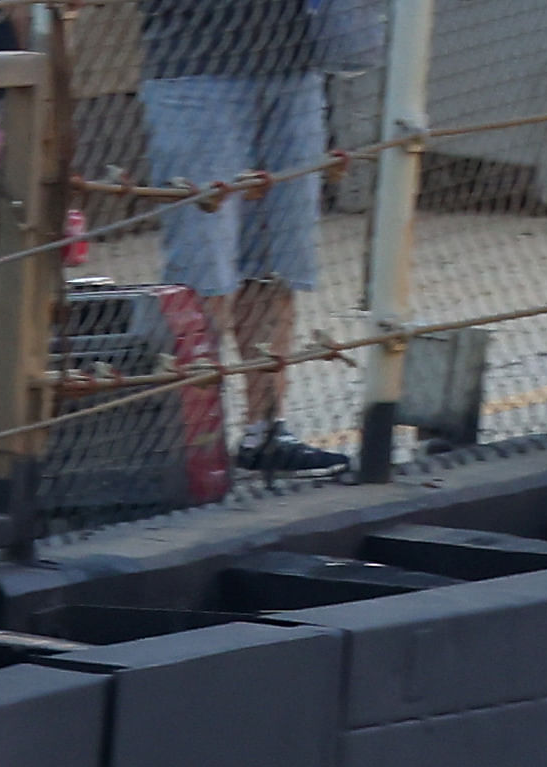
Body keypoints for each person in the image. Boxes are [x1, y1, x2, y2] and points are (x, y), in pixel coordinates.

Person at [140, 0, 350, 473]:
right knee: (204, 267)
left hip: (294, 67)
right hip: (195, 68)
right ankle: (195, 438)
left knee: (278, 259)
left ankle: (266, 429)